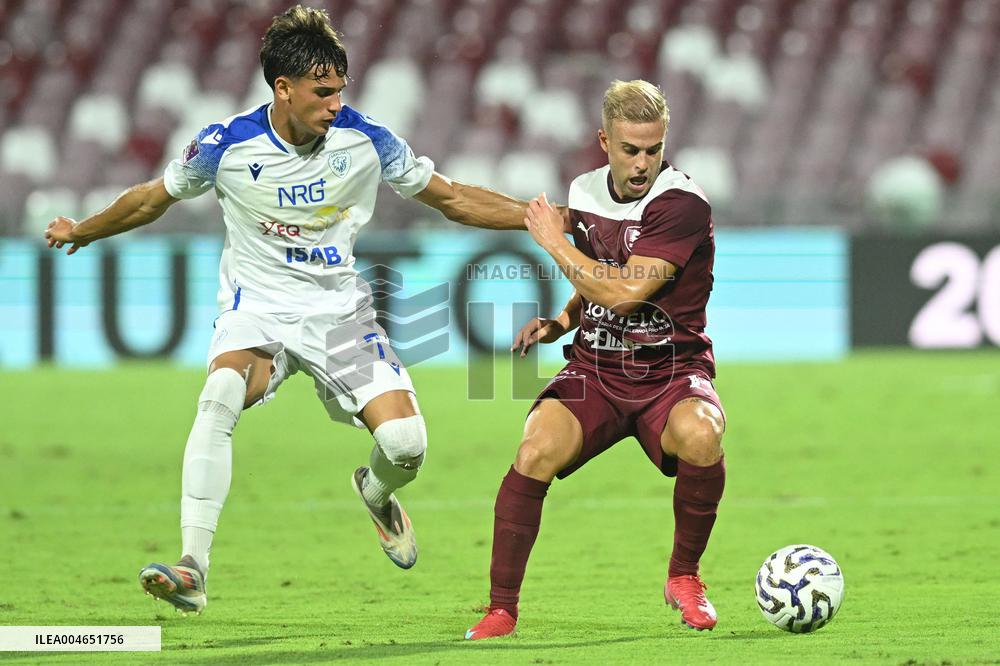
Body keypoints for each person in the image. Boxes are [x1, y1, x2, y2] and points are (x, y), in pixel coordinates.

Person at [44, 5, 547, 615]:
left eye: (341, 90)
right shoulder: (225, 145)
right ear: (282, 88)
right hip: (256, 312)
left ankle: (377, 491)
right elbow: (153, 199)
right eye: (322, 91)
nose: (337, 104)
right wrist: (86, 230)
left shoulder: (367, 140)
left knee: (407, 445)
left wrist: (534, 216)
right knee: (220, 394)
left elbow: (452, 198)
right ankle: (193, 567)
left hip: (339, 316)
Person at [465, 80, 727, 639]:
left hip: (671, 373)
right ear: (604, 140)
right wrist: (562, 320)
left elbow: (625, 292)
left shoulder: (681, 204)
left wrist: (552, 242)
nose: (642, 163)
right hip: (597, 371)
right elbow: (601, 268)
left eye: (653, 149)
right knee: (534, 450)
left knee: (703, 435)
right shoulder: (584, 190)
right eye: (631, 149)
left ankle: (684, 576)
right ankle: (501, 609)